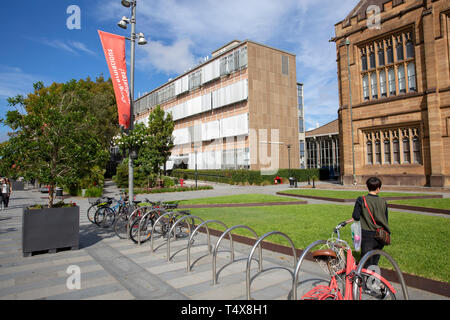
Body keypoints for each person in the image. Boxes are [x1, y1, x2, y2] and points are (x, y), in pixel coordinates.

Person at [346, 176, 390, 268]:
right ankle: (373, 280)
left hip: (367, 234)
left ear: (367, 187)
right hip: (381, 234)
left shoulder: (361, 199)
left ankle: (364, 280)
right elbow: (386, 219)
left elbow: (356, 217)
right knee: (375, 259)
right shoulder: (383, 202)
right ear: (378, 188)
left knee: (365, 261)